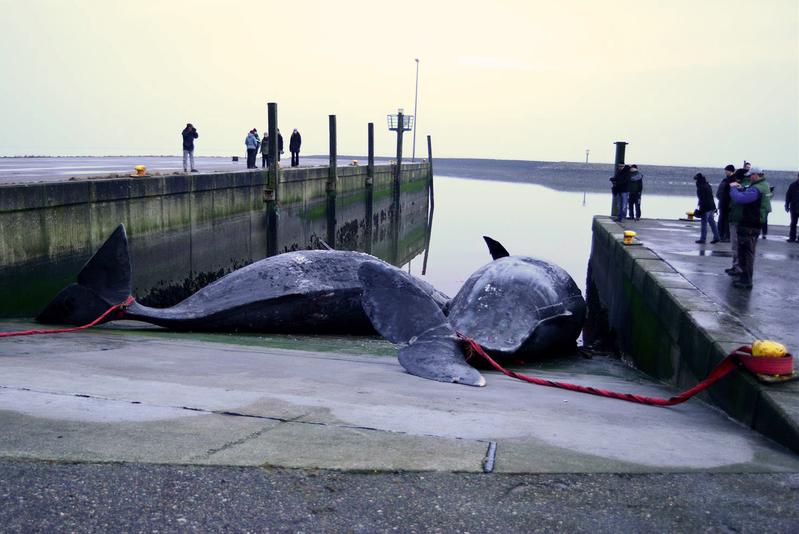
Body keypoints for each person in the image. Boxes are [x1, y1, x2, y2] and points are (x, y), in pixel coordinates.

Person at [728, 166, 771, 289]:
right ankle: (745, 279)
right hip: (756, 224)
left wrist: (734, 189)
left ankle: (745, 280)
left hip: (749, 225)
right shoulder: (765, 186)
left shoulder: (756, 189)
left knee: (745, 253)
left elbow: (741, 199)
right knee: (749, 252)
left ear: (756, 175)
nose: (749, 177)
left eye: (751, 175)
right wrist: (743, 189)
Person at [725, 168, 749, 276]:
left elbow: (737, 200)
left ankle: (737, 267)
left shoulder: (743, 187)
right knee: (736, 246)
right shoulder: (745, 186)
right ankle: (735, 266)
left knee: (737, 246)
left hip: (738, 219)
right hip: (736, 218)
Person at [693, 173, 720, 244]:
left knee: (704, 223)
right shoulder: (707, 185)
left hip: (705, 207)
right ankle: (717, 237)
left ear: (697, 180)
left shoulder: (700, 187)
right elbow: (710, 197)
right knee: (712, 222)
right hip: (711, 206)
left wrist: (701, 209)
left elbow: (702, 199)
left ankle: (703, 239)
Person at [716, 164, 735, 241]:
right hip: (723, 204)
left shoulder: (733, 181)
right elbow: (719, 193)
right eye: (725, 171)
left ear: (731, 171)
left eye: (726, 171)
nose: (725, 172)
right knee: (721, 220)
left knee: (727, 221)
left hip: (728, 204)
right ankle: (720, 235)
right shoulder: (725, 180)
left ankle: (726, 236)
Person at [786, 173, 799, 242]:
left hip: (794, 207)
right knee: (793, 223)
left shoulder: (792, 185)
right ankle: (792, 237)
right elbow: (788, 196)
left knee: (793, 223)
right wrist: (786, 206)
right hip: (794, 208)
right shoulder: (792, 185)